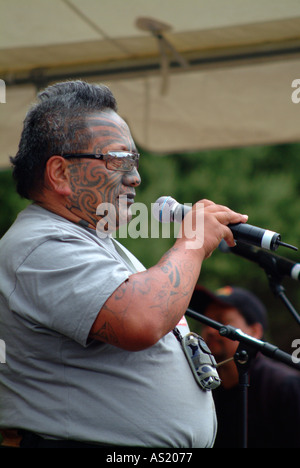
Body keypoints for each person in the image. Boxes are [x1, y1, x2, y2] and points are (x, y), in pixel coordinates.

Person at [0, 80, 248, 449]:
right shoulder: (38, 245)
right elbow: (141, 321)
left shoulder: (93, 240)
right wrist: (193, 243)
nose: (135, 177)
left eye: (135, 161)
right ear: (60, 173)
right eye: (119, 160)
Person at [189, 285, 300, 448]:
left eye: (220, 322)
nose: (210, 330)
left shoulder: (285, 386)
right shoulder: (200, 386)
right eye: (206, 321)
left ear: (254, 332)